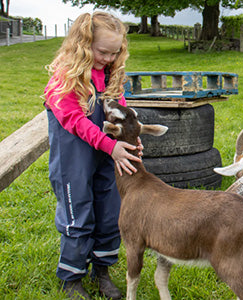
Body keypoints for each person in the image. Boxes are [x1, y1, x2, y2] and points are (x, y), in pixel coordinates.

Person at [44, 12, 142, 300]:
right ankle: (72, 277)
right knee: (79, 215)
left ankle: (102, 270)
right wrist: (110, 146)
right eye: (102, 52)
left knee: (110, 214)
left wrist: (130, 141)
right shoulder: (65, 77)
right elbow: (74, 119)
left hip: (104, 158)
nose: (109, 59)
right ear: (84, 45)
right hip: (74, 162)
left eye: (115, 53)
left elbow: (121, 111)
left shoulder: (111, 74)